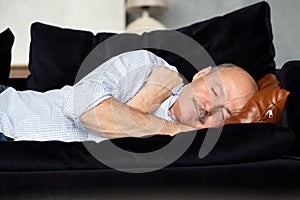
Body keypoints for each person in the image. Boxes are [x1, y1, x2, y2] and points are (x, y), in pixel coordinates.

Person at [0, 50, 258, 142]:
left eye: (225, 113)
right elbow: (81, 109)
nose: (209, 107)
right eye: (214, 92)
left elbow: (103, 141)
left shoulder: (192, 153)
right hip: (8, 114)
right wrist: (173, 130)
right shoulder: (151, 69)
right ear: (200, 75)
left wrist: (144, 104)